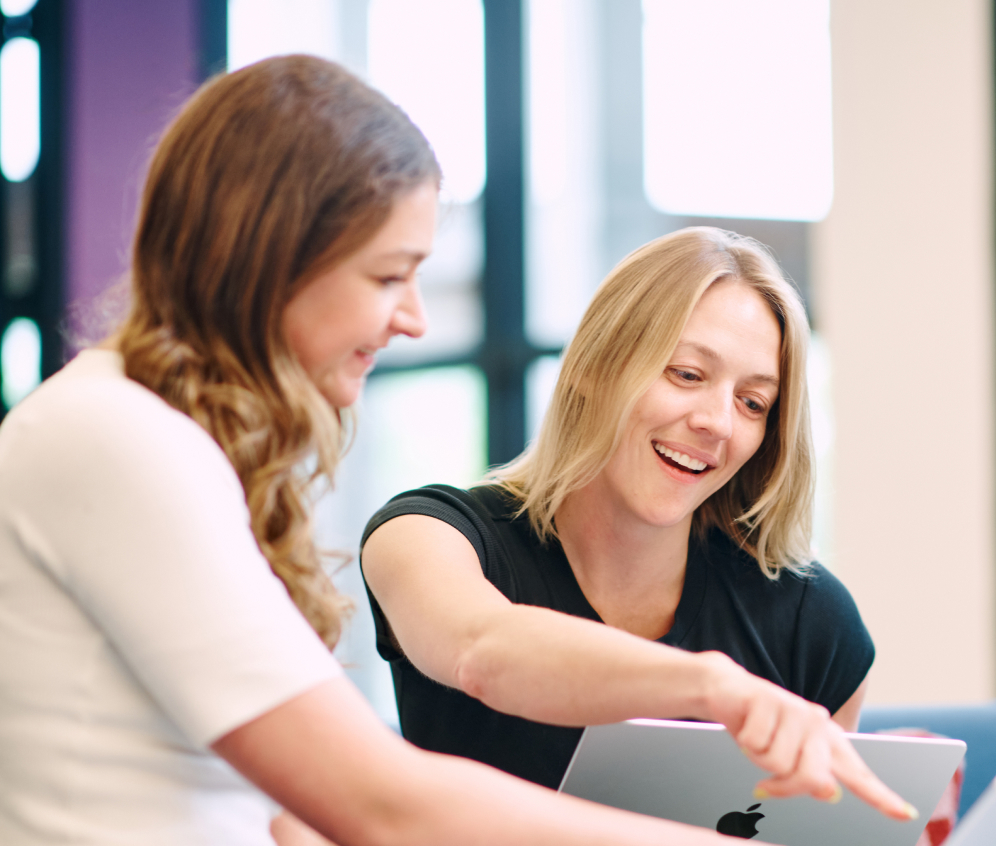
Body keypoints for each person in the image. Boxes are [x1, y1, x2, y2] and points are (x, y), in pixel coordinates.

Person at [0, 54, 899, 846]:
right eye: (389, 274)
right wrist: (715, 705)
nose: (413, 317)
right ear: (270, 256)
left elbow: (272, 811)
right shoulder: (121, 445)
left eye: (753, 401)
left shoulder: (152, 442)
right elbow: (383, 799)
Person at [361, 227, 918, 815]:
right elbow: (482, 652)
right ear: (593, 368)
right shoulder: (429, 536)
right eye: (687, 373)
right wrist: (713, 687)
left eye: (752, 403)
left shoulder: (812, 622)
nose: (719, 423)